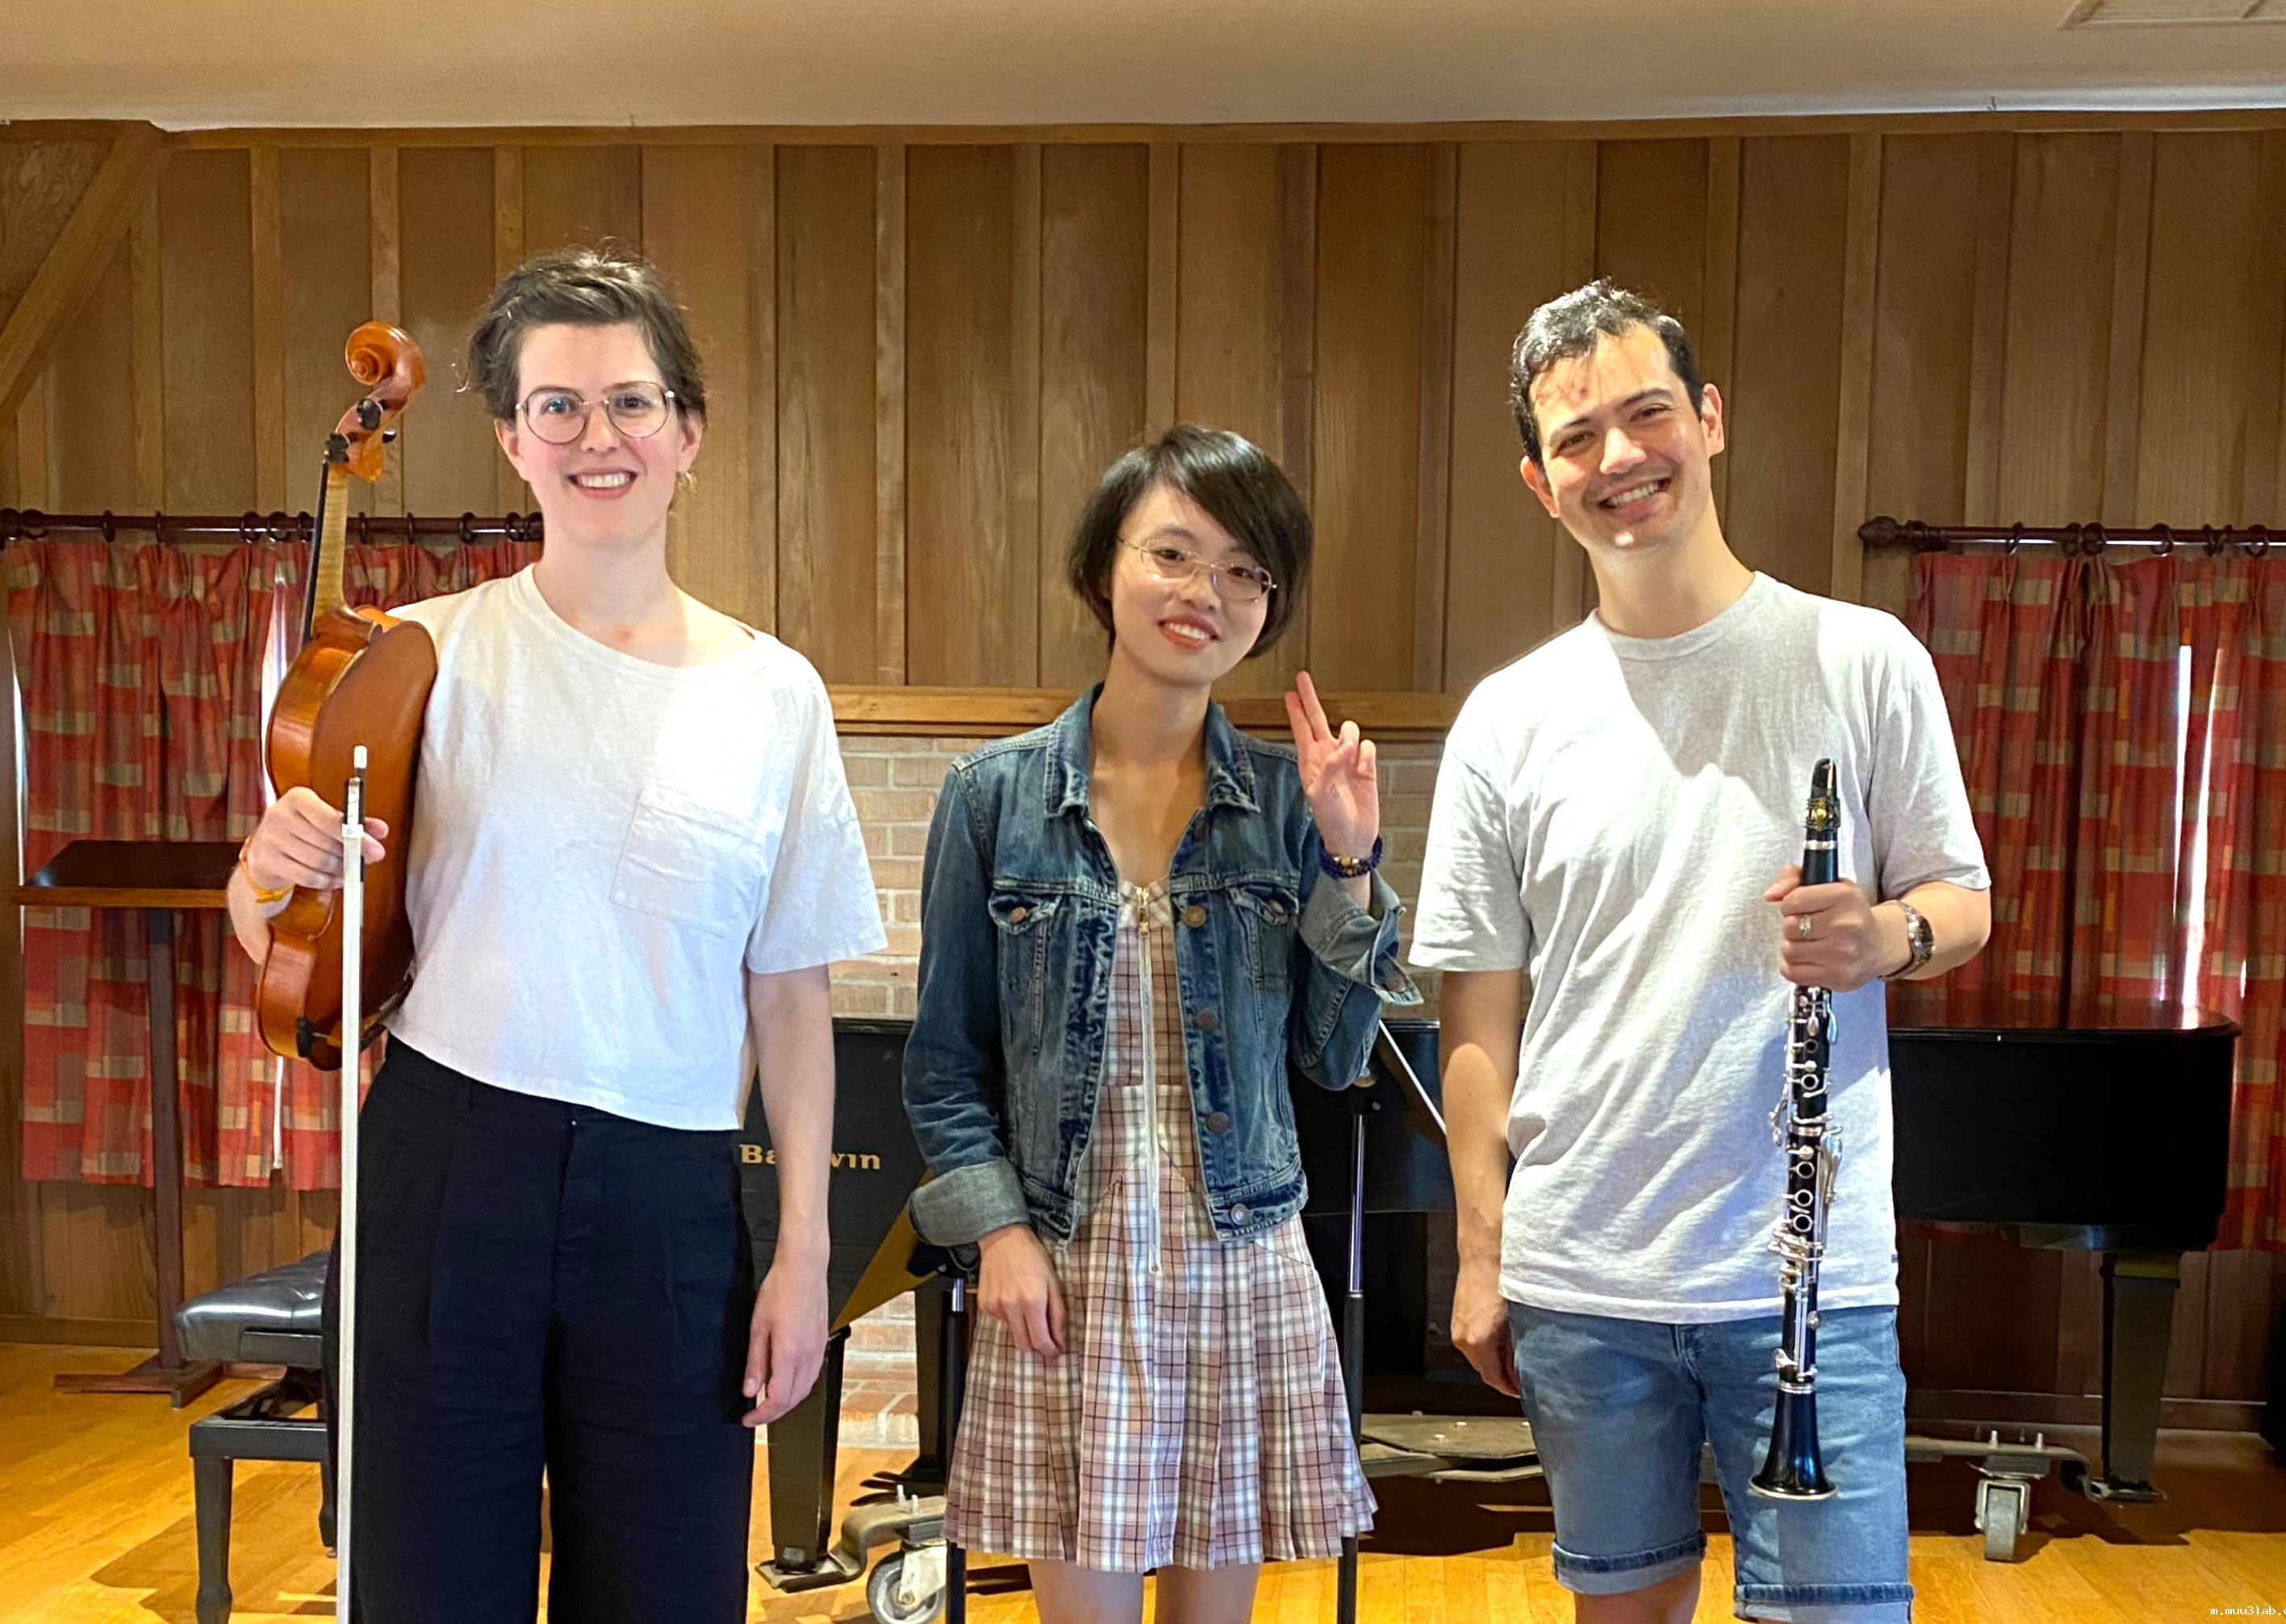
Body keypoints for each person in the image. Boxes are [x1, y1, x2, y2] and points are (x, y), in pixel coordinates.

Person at [227, 247, 885, 1623]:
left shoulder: (775, 695)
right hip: (447, 1162)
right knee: (425, 1588)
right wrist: (267, 871)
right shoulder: (417, 654)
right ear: (513, 439)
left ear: (687, 433)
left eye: (632, 402)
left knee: (665, 1592)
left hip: (671, 1195)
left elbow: (789, 996)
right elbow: (285, 925)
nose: (600, 437)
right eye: (559, 407)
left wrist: (804, 1252)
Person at [1411, 281, 1991, 1624]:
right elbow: (1477, 1024)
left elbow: (1960, 900)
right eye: (1575, 438)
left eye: (1647, 413)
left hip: (1806, 1279)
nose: (1617, 457)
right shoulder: (1508, 718)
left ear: (1709, 419)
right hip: (1582, 1276)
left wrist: (1886, 935)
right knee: (1620, 1611)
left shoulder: (1861, 658)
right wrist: (1483, 1252)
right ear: (1538, 481)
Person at [901, 424, 1417, 1623]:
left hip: (1236, 1258)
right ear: (1104, 568)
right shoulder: (991, 799)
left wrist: (1350, 865)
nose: (1206, 592)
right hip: (1063, 1262)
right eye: (1173, 554)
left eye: (1244, 571)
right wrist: (998, 1234)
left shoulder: (1287, 802)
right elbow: (944, 1064)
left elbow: (1331, 1059)